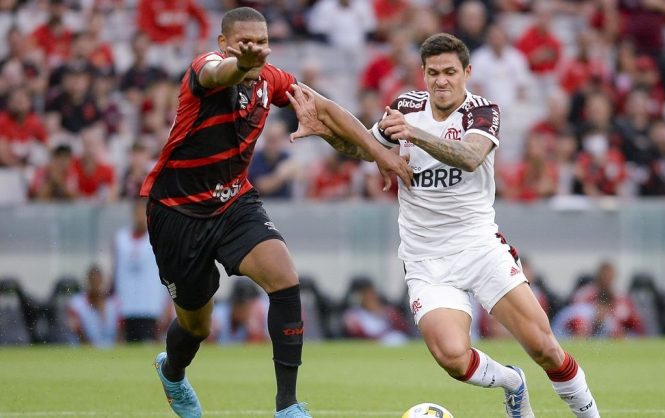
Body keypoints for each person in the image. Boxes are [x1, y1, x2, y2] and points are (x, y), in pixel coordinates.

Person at [289, 33, 600, 418]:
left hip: (479, 247)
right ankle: (512, 383)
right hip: (426, 258)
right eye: (433, 72)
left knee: (545, 348)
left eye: (450, 72)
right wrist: (328, 134)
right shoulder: (406, 107)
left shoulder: (482, 111)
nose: (441, 80)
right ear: (423, 74)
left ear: (467, 72)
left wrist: (414, 134)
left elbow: (470, 157)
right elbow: (362, 149)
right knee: (453, 358)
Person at [139, 7, 413, 418]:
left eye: (263, 44)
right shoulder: (205, 70)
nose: (257, 51)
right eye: (245, 43)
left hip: (234, 202)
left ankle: (287, 406)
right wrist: (242, 62)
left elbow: (326, 108)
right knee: (197, 326)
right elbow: (221, 73)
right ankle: (173, 372)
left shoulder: (271, 79)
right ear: (224, 44)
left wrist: (381, 155)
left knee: (284, 277)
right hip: (179, 213)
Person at [113, 198, 168, 342]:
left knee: (150, 345)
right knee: (127, 345)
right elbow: (116, 271)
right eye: (137, 213)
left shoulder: (159, 237)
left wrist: (168, 303)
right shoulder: (121, 239)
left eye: (143, 213)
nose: (139, 217)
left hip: (151, 305)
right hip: (127, 305)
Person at [67, 264, 121, 348]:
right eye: (93, 281)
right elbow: (77, 332)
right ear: (88, 281)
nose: (96, 284)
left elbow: (120, 331)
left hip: (111, 350)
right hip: (85, 350)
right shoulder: (77, 304)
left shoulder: (114, 303)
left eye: (98, 280)